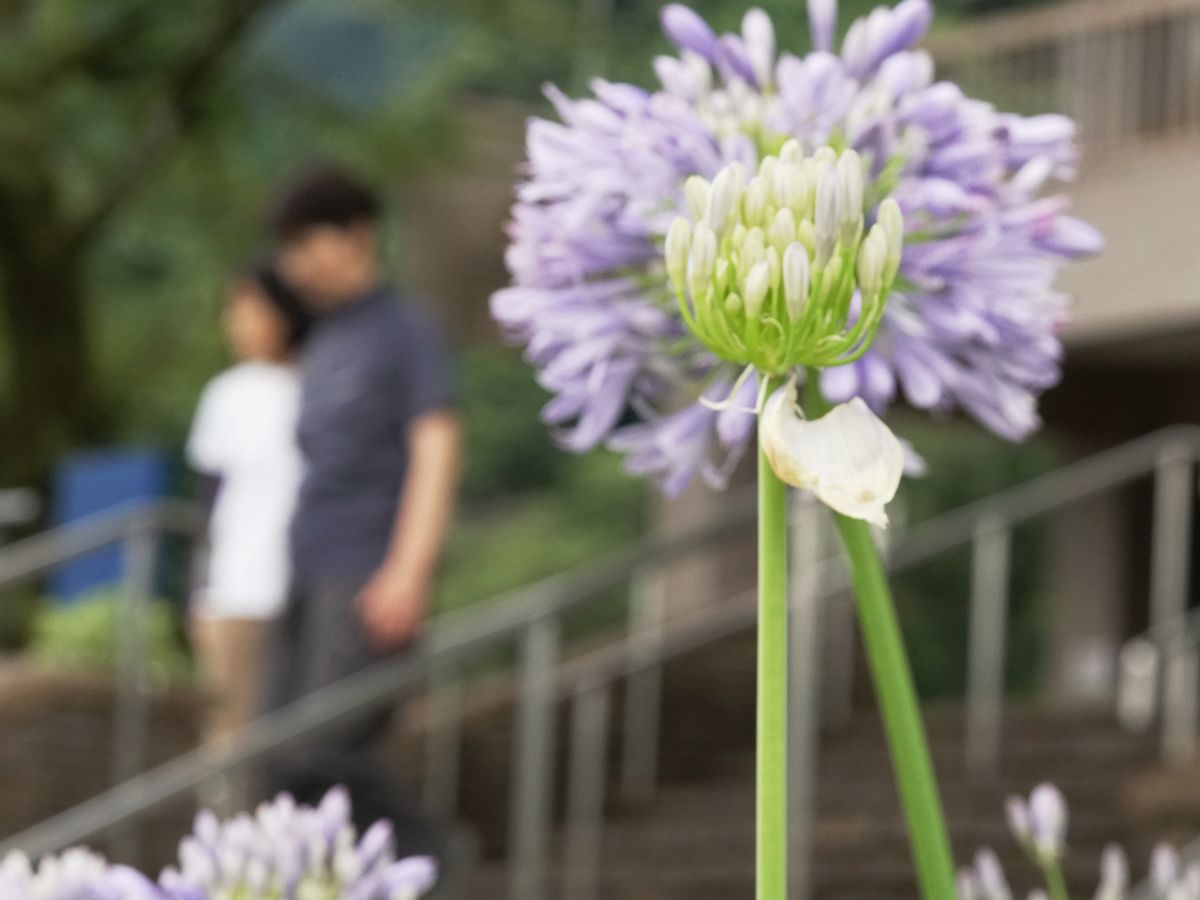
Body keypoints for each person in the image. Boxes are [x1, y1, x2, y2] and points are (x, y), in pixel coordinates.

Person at [263, 165, 461, 857]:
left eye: (305, 242)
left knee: (322, 749)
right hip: (306, 567)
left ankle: (428, 856)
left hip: (366, 567)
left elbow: (436, 447)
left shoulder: (405, 329)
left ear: (356, 235)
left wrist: (409, 570)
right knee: (273, 763)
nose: (294, 265)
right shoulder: (322, 337)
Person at [186, 263, 311, 811]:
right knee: (227, 742)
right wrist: (199, 590)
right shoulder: (226, 393)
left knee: (293, 741)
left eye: (249, 307)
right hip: (235, 586)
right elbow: (208, 499)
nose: (235, 322)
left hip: (302, 584)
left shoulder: (316, 385)